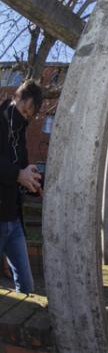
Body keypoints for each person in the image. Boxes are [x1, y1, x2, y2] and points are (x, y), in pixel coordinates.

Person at [0, 80, 43, 294]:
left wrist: (33, 183)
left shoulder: (21, 135)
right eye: (23, 110)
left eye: (28, 115)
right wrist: (18, 174)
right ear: (16, 97)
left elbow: (24, 171)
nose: (24, 117)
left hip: (14, 222)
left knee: (27, 286)